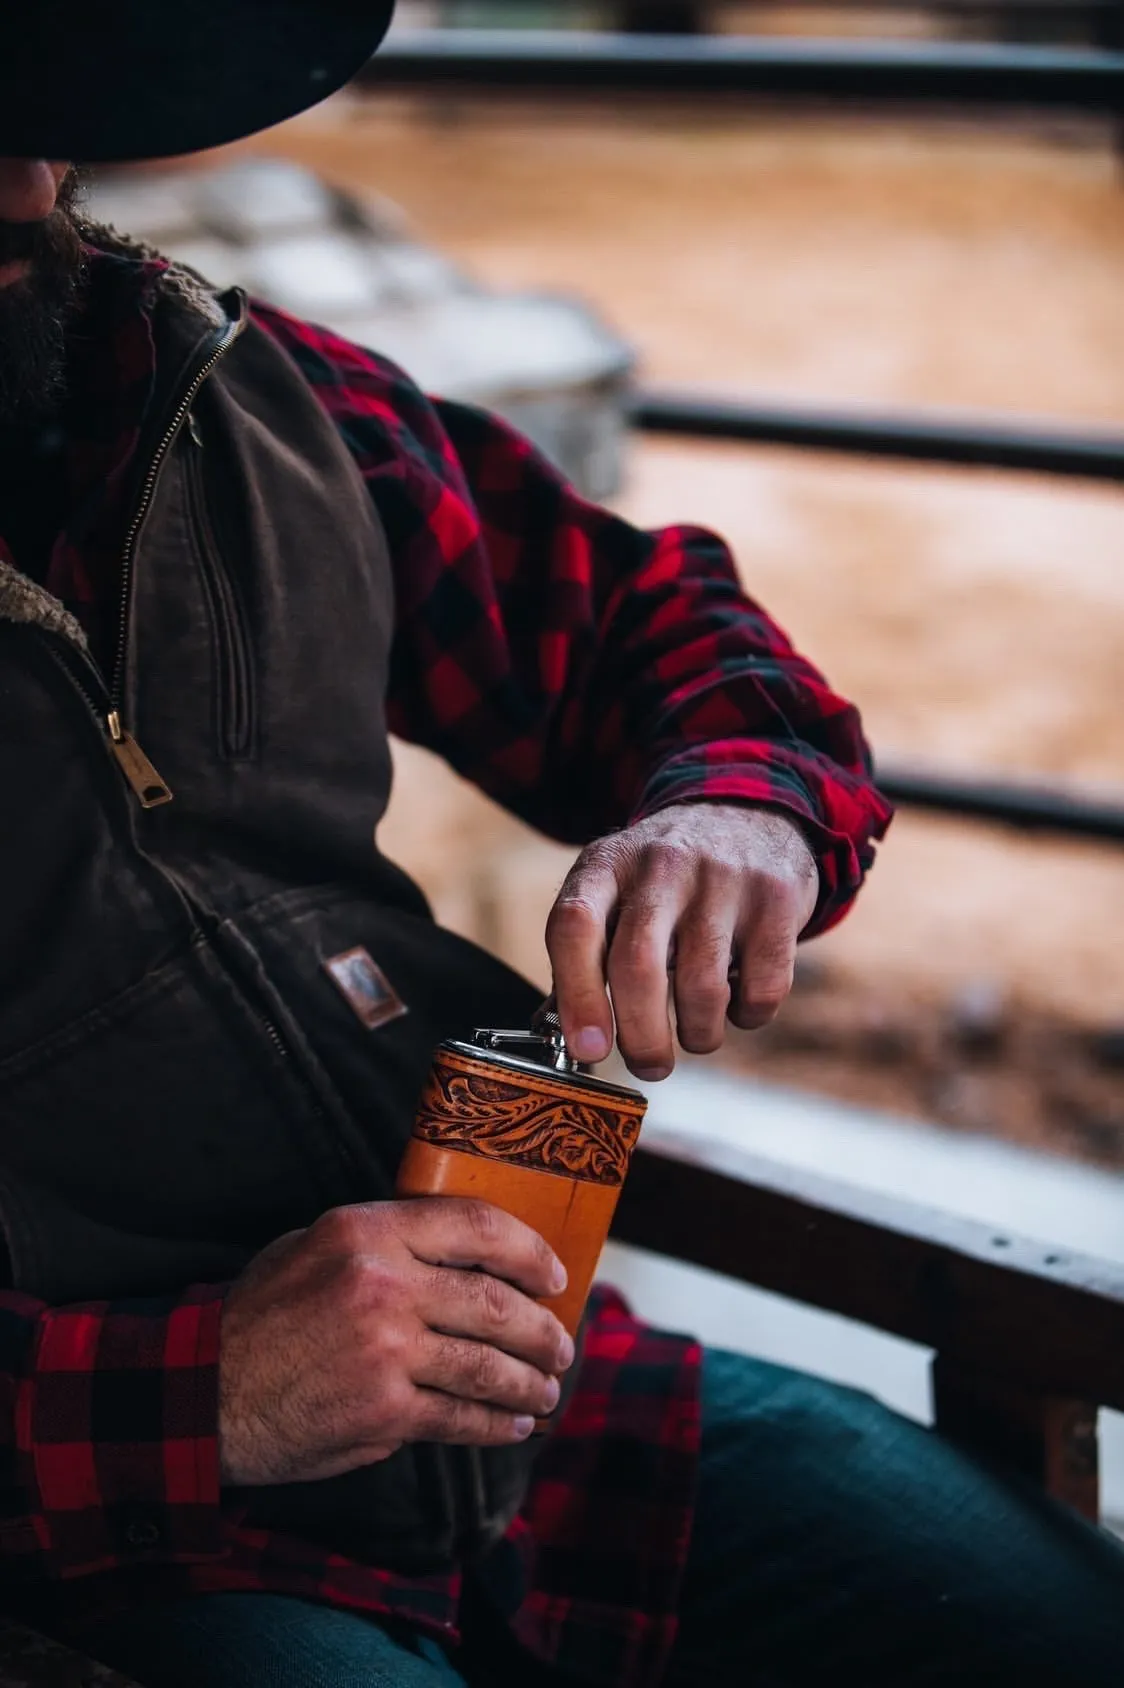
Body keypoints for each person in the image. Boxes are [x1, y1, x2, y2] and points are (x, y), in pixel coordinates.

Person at [0, 4, 1121, 1685]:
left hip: (546, 1406)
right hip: (119, 1530)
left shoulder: (241, 397)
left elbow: (636, 626)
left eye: (37, 112)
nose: (28, 192)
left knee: (1063, 1631)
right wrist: (211, 1393)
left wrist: (735, 802)